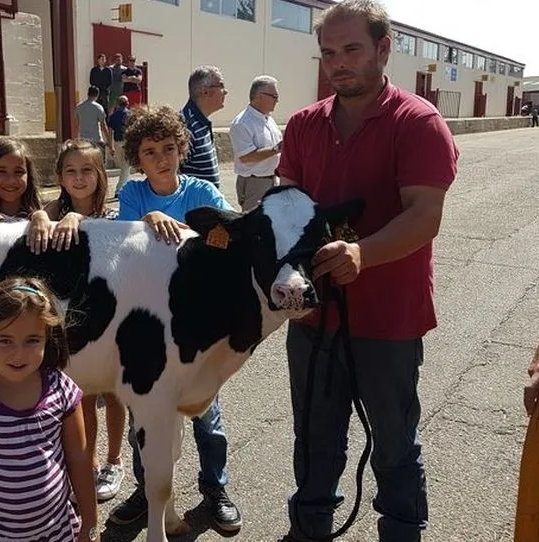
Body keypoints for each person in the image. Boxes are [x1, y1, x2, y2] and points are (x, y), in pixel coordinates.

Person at [276, 1, 459, 540]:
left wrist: (363, 254)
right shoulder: (304, 124)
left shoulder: (418, 121)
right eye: (328, 52)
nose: (338, 63)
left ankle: (401, 529)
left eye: (351, 49)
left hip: (388, 319)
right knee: (314, 436)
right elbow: (287, 207)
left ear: (383, 48)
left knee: (394, 440)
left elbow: (424, 216)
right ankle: (309, 528)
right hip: (314, 317)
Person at [109, 104, 243, 532]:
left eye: (168, 148)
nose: (161, 158)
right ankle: (145, 488)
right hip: (146, 326)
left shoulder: (202, 192)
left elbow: (231, 234)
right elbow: (126, 248)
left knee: (207, 416)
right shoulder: (133, 195)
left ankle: (215, 488)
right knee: (142, 416)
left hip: (197, 326)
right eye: (149, 152)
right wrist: (147, 218)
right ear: (137, 159)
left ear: (182, 148)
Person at [0, 277, 100, 542]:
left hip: (59, 534)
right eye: (5, 340)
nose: (18, 354)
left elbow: (80, 460)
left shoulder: (62, 389)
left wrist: (91, 525)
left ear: (48, 338)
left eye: (32, 340)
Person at [25, 139, 127, 502]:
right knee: (82, 396)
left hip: (110, 319)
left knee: (114, 394)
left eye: (87, 170)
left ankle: (115, 460)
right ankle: (89, 461)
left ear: (100, 175)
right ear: (59, 177)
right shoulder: (52, 211)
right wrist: (40, 216)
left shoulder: (115, 214)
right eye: (70, 171)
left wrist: (78, 219)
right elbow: (37, 218)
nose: (79, 178)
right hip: (73, 321)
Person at [229, 75, 283, 212]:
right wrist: (277, 148)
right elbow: (246, 157)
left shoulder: (268, 119)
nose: (277, 100)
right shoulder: (242, 123)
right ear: (259, 96)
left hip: (272, 180)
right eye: (274, 96)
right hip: (254, 184)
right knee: (254, 223)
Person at [180, 65, 227, 187]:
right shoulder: (186, 127)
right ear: (205, 91)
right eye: (221, 85)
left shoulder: (200, 122)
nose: (225, 91)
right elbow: (172, 178)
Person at [0, 138, 44, 220]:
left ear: (29, 176)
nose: (11, 180)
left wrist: (40, 216)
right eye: (1, 171)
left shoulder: (45, 217)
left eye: (18, 172)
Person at [76, 86, 114, 158]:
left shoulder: (79, 107)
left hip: (83, 141)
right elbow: (103, 125)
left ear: (88, 93)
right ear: (97, 95)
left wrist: (76, 140)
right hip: (96, 140)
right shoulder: (98, 107)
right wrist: (109, 142)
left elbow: (77, 125)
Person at [107, 95, 133, 197]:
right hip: (127, 142)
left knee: (125, 167)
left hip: (117, 143)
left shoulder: (113, 116)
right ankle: (119, 190)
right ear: (127, 104)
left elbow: (110, 132)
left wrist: (111, 146)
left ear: (118, 104)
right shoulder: (130, 115)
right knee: (126, 167)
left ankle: (125, 189)